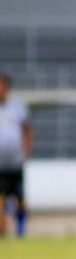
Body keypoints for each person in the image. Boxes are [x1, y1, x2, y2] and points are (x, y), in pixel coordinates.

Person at [0, 73, 32, 238]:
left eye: (2, 86)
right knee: (1, 198)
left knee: (19, 197)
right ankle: (2, 228)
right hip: (0, 163)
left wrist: (27, 151)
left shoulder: (18, 107)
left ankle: (21, 228)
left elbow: (27, 130)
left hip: (15, 161)